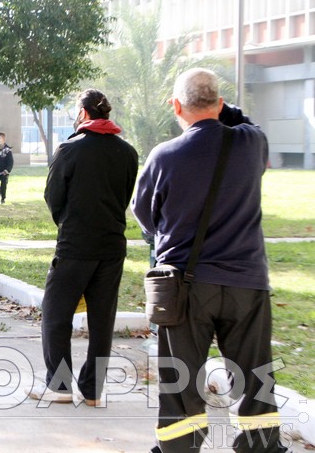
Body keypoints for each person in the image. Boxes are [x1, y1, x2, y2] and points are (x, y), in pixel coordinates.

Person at [132, 68, 287, 453]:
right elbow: (242, 120)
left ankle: (180, 447)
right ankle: (260, 445)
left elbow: (144, 216)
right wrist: (219, 107)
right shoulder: (252, 144)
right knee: (255, 378)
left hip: (184, 286)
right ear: (220, 103)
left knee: (181, 380)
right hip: (247, 283)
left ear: (175, 105)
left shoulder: (164, 155)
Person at [30, 89, 138, 406]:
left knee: (55, 315)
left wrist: (66, 220)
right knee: (102, 321)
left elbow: (53, 197)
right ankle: (92, 391)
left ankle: (60, 387)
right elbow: (125, 196)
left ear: (82, 113)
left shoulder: (70, 150)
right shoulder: (128, 152)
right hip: (112, 244)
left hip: (76, 244)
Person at [0, 132, 14, 204]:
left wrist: (7, 170)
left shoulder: (7, 150)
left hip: (4, 172)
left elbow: (10, 162)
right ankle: (0, 190)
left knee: (3, 185)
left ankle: (3, 199)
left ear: (3, 139)